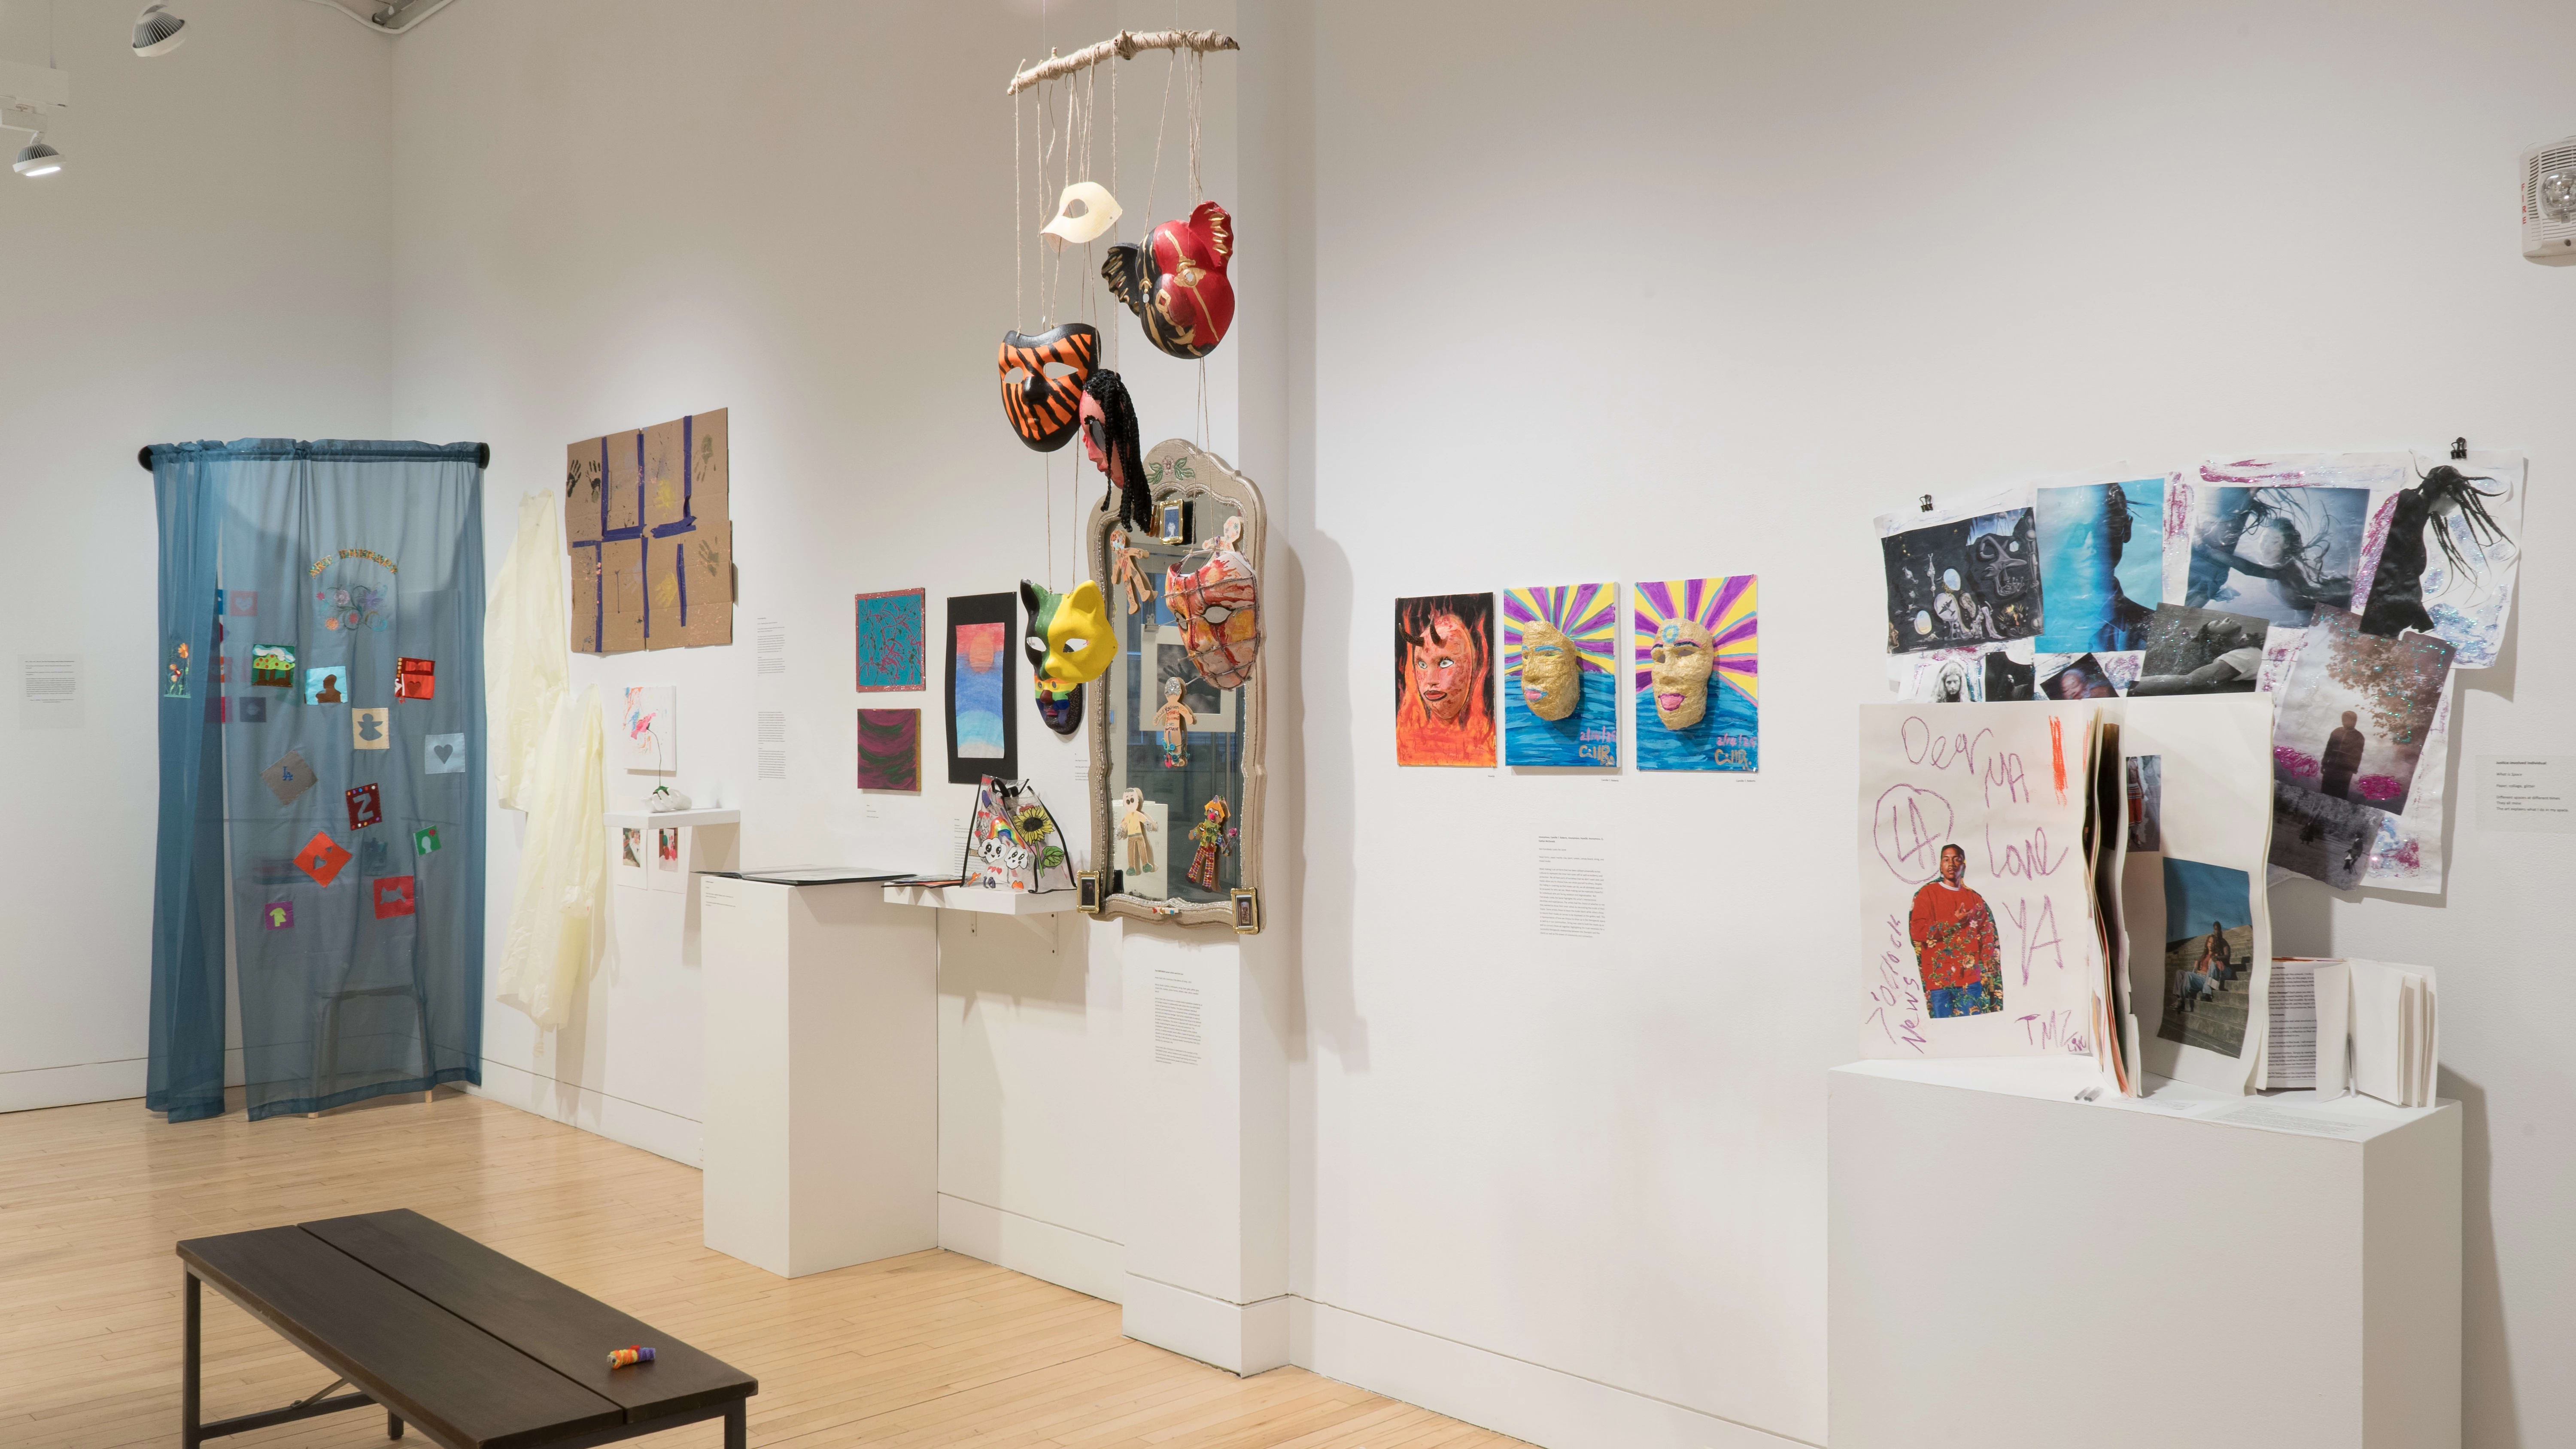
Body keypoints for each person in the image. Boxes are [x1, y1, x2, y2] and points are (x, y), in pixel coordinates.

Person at [1908, 844, 2004, 1019]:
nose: (1951, 864)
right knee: (1942, 1029)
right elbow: (1918, 932)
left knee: (1970, 1028)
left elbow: (1987, 931)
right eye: (1946, 860)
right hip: (1939, 980)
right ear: (1940, 866)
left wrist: (1987, 958)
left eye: (1956, 860)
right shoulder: (1927, 894)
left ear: (1963, 866)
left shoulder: (1975, 899)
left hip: (1970, 979)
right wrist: (1954, 921)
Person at [2130, 617, 2264, 695]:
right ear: (2215, 637)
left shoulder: (2245, 646)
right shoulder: (2242, 656)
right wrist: (2129, 685)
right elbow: (2191, 680)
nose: (2227, 619)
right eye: (2219, 623)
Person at [2320, 710, 2366, 800]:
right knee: (2325, 791)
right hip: (2331, 767)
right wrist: (2324, 763)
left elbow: (2357, 755)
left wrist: (2352, 770)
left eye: (2348, 720)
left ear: (2354, 722)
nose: (2345, 722)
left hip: (2344, 771)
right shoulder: (2337, 732)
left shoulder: (2358, 737)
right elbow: (2329, 749)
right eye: (2344, 720)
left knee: (2339, 794)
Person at [1119, 788, 1154, 873]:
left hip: (1140, 835)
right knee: (1132, 852)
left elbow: (1146, 820)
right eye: (1128, 802)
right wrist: (1121, 832)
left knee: (1143, 850)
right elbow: (1124, 825)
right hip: (1133, 836)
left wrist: (1150, 825)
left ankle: (1145, 865)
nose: (1131, 804)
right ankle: (1133, 868)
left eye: (1132, 800)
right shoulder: (1129, 816)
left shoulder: (1139, 814)